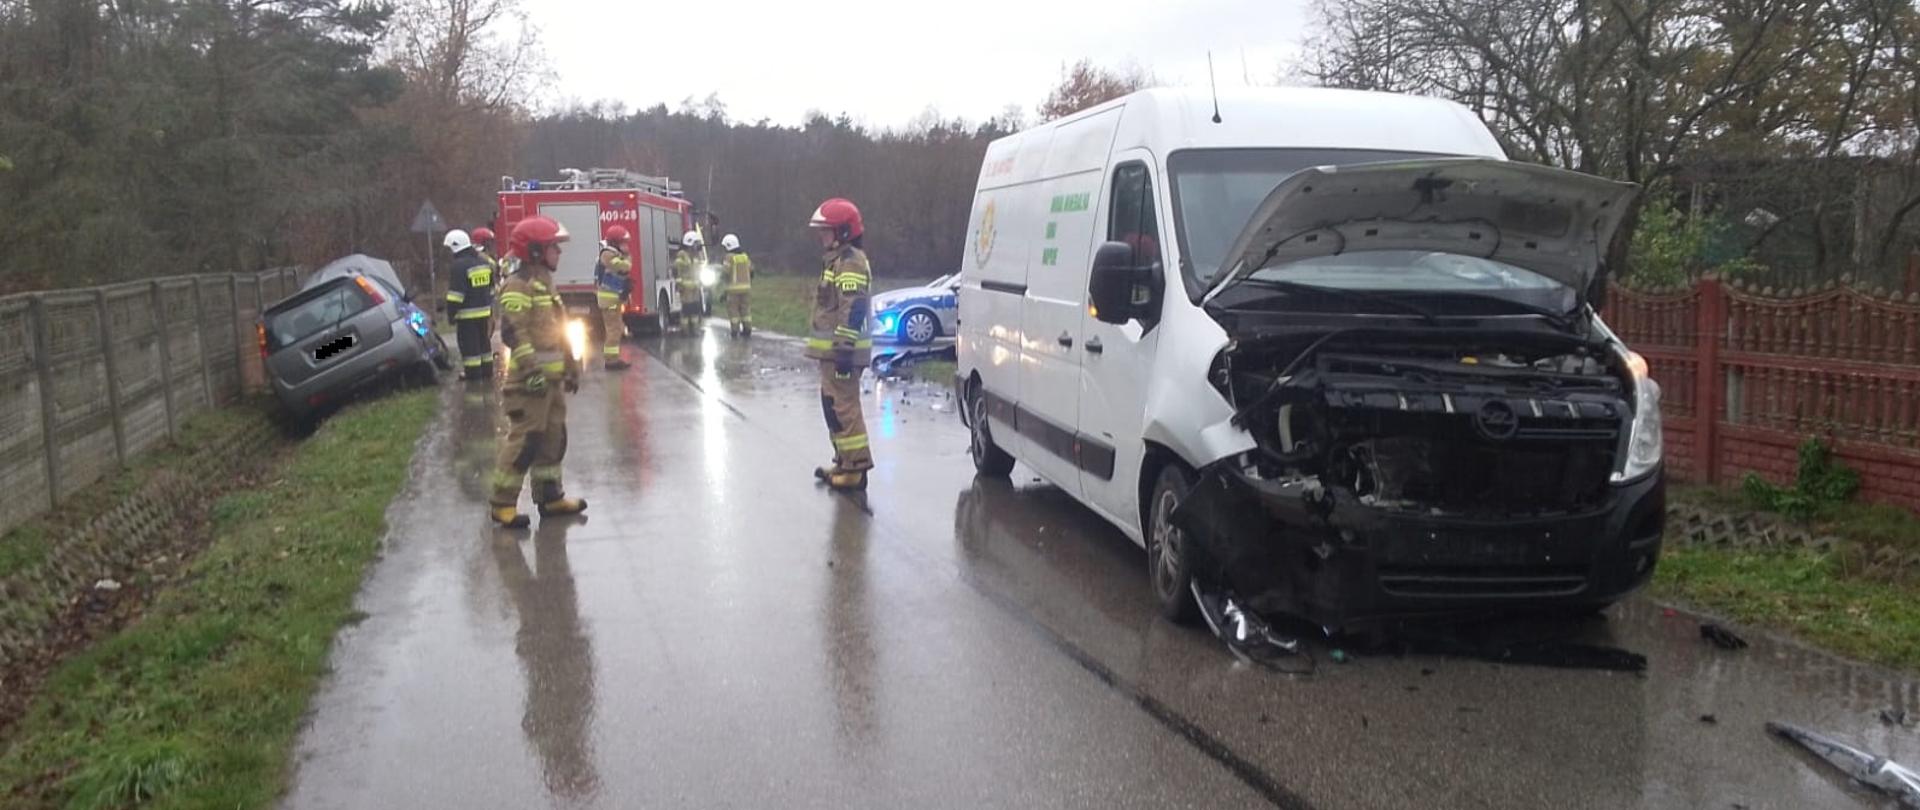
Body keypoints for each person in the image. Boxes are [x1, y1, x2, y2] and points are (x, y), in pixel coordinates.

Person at [489, 215, 587, 528]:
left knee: (553, 440)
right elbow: (513, 333)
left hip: (552, 383)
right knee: (525, 441)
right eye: (552, 247)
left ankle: (550, 497)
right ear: (533, 251)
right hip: (528, 385)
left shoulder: (545, 283)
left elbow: (557, 330)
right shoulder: (518, 286)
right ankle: (502, 503)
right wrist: (531, 371)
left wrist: (571, 365)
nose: (558, 252)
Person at [804, 198, 874, 491]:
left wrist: (844, 346)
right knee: (832, 405)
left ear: (843, 232)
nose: (822, 237)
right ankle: (844, 461)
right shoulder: (837, 260)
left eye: (827, 231)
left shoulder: (850, 262)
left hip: (843, 353)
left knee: (843, 407)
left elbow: (854, 306)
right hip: (834, 353)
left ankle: (856, 469)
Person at [443, 229, 496, 381]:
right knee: (484, 345)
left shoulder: (458, 266)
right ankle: (487, 372)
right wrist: (488, 307)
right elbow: (491, 288)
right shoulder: (484, 262)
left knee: (470, 348)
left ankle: (473, 378)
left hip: (467, 316)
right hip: (484, 313)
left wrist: (451, 314)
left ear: (455, 246)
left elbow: (456, 295)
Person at [595, 226, 633, 370]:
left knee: (616, 329)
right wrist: (628, 257)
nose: (626, 246)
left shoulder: (613, 254)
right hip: (609, 301)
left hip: (613, 300)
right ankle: (611, 361)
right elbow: (624, 267)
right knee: (613, 330)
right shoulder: (608, 255)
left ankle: (613, 358)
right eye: (623, 243)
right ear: (615, 243)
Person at [673, 230, 705, 336]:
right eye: (695, 243)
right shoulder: (681, 256)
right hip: (686, 289)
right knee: (686, 311)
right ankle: (685, 331)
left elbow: (698, 270)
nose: (697, 246)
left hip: (695, 288)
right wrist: (680, 285)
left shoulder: (694, 256)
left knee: (695, 310)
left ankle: (695, 330)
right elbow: (677, 271)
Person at [721, 233, 753, 338]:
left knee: (733, 311)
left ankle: (735, 331)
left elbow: (725, 272)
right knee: (746, 311)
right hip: (746, 289)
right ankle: (747, 330)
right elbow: (752, 270)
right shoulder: (745, 256)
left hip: (733, 290)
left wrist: (722, 280)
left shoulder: (729, 257)